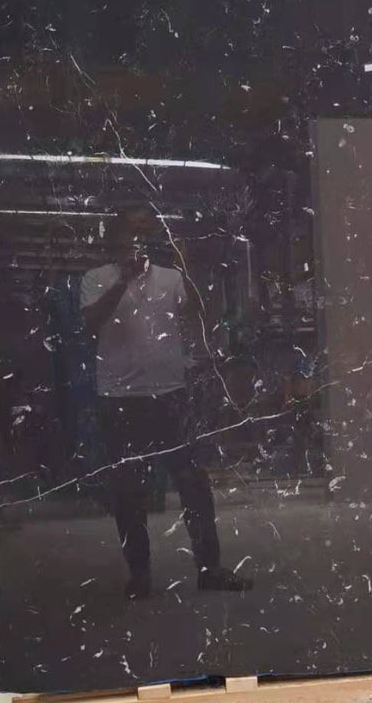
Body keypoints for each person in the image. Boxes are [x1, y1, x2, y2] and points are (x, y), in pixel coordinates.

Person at [82, 206, 252, 599]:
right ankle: (139, 575)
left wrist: (186, 266)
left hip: (171, 395)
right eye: (133, 230)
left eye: (147, 231)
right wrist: (123, 280)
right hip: (120, 399)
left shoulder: (171, 278)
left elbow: (201, 316)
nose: (140, 239)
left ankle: (209, 569)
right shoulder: (96, 278)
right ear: (117, 236)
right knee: (129, 491)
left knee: (194, 484)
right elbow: (90, 327)